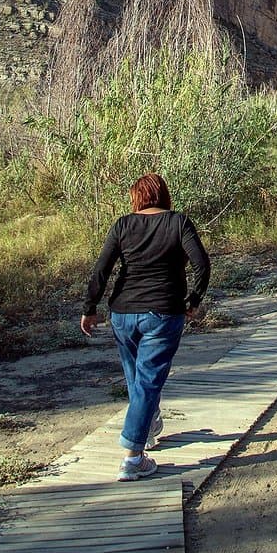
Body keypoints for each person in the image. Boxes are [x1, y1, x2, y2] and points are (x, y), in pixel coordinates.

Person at [81, 171, 211, 481]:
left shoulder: (123, 225)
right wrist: (193, 300)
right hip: (163, 313)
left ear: (136, 198)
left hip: (123, 314)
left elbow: (102, 270)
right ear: (163, 195)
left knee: (137, 378)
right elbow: (202, 265)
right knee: (148, 380)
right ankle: (132, 456)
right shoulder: (178, 222)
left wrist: (89, 308)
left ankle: (149, 425)